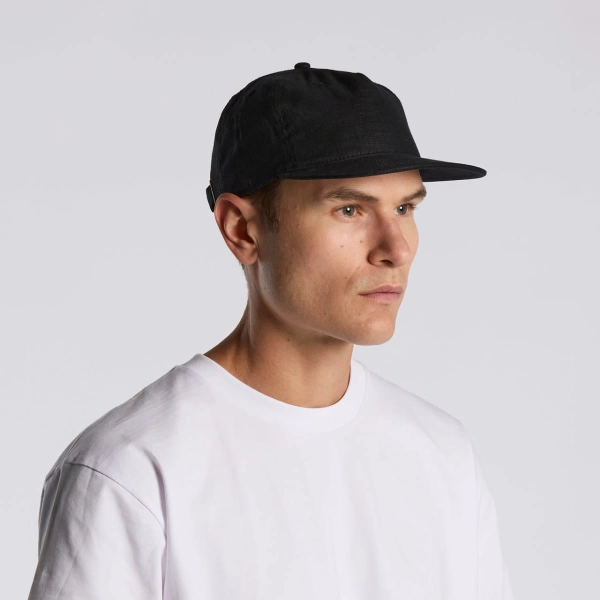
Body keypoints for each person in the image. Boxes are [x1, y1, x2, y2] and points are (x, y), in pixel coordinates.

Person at [28, 62, 515, 599]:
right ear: (242, 229)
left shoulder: (441, 453)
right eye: (350, 209)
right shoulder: (133, 468)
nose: (395, 249)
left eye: (404, 207)